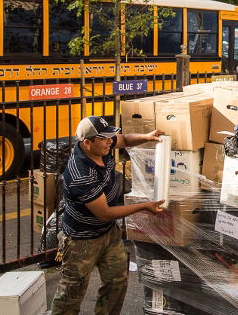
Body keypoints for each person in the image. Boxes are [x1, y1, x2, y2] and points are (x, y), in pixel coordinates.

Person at [50, 116, 166, 315]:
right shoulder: (81, 175)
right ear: (87, 143)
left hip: (108, 233)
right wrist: (144, 206)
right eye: (104, 139)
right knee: (72, 292)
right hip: (82, 240)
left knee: (117, 282)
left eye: (109, 138)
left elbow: (126, 139)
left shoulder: (101, 145)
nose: (110, 142)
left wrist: (147, 136)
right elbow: (105, 213)